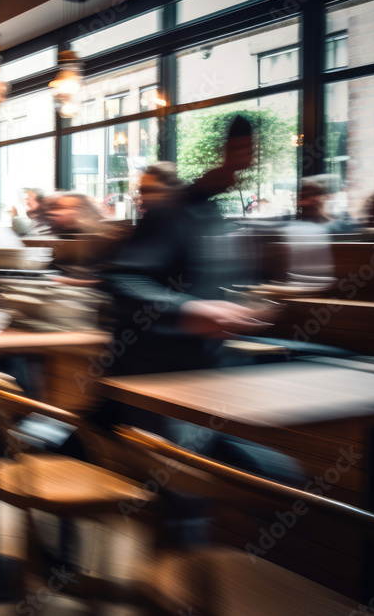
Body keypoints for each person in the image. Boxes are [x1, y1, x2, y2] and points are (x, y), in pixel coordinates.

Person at [97, 116, 303, 542]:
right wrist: (191, 309)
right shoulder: (174, 210)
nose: (245, 167)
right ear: (226, 152)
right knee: (188, 494)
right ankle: (179, 583)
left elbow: (203, 290)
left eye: (252, 158)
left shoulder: (217, 215)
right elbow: (120, 281)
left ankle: (181, 573)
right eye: (243, 153)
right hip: (152, 385)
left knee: (283, 476)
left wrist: (237, 310)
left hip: (203, 384)